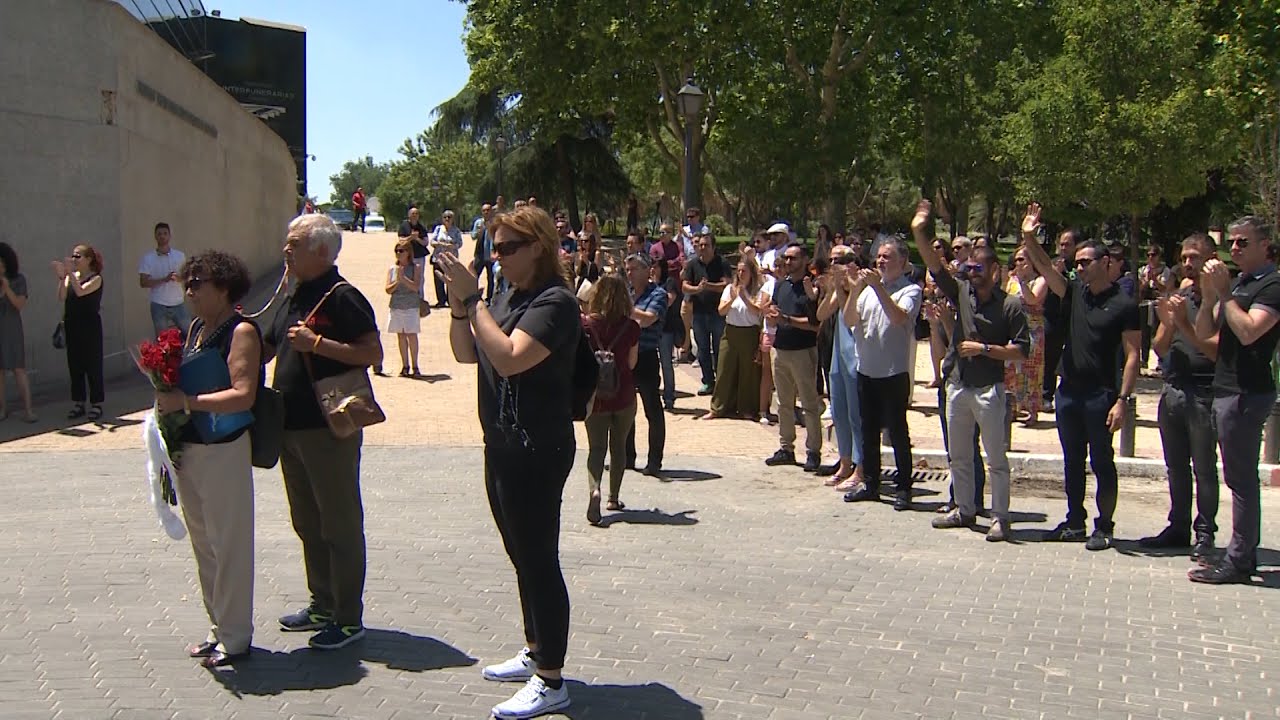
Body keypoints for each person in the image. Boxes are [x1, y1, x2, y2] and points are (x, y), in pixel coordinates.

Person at [440, 206, 578, 719]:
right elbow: (465, 352)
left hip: (537, 448)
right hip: (499, 442)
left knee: (539, 560)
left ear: (537, 246)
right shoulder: (505, 296)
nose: (495, 257)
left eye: (505, 248)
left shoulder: (554, 302)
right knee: (521, 555)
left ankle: (552, 678)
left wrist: (474, 298)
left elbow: (509, 356)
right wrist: (462, 306)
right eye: (492, 248)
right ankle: (536, 647)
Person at [267, 215, 383, 650]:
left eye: (294, 243)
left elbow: (372, 351)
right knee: (307, 522)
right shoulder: (293, 294)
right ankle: (322, 603)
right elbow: (265, 343)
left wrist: (319, 345)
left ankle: (349, 618)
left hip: (329, 428)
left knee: (339, 522)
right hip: (289, 426)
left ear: (321, 250)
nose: (285, 250)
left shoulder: (342, 296)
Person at [155, 250, 260, 669]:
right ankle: (219, 627)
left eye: (199, 282)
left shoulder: (241, 331)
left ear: (224, 287)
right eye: (188, 281)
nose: (190, 289)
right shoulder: (197, 327)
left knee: (229, 543)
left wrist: (186, 400)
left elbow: (243, 394)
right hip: (192, 448)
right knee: (204, 544)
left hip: (224, 449)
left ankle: (236, 637)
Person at [1020, 203, 1140, 551]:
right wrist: (1029, 235)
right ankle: (1074, 521)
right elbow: (1043, 265)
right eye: (1077, 263)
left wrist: (1123, 400)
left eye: (1086, 262)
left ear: (1106, 263)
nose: (1079, 266)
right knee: (1072, 461)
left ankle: (1104, 526)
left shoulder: (1124, 304)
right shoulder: (1074, 292)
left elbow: (1133, 354)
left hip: (1101, 395)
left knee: (1102, 461)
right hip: (1068, 390)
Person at [912, 200, 1029, 542]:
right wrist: (920, 229)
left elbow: (1022, 351)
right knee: (959, 454)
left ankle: (1001, 517)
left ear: (995, 271)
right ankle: (964, 509)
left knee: (995, 459)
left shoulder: (1010, 305)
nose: (972, 272)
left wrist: (985, 350)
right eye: (971, 267)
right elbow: (934, 265)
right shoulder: (962, 292)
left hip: (990, 389)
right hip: (958, 385)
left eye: (980, 268)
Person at [1190, 217, 1280, 584]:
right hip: (1225, 387)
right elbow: (1204, 331)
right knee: (1234, 476)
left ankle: (1241, 559)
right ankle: (1238, 553)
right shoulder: (1243, 283)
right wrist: (1210, 295)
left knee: (1241, 480)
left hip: (1247, 391)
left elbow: (1248, 332)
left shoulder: (1272, 284)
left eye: (1244, 242)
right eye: (1233, 243)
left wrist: (1225, 295)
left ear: (1265, 246)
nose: (1236, 248)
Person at [1140, 233, 1220, 560]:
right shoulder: (1179, 297)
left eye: (1195, 257)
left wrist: (1185, 323)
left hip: (1204, 392)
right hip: (1173, 388)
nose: (1187, 264)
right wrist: (1170, 320)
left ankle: (1205, 532)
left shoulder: (1219, 301)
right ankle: (1178, 525)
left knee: (1204, 466)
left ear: (1211, 260)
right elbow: (1159, 347)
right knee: (1176, 465)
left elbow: (1215, 350)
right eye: (1184, 257)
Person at [841, 236, 922, 511]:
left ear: (902, 261)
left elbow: (899, 318)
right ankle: (872, 484)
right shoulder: (866, 291)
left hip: (893, 372)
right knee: (868, 430)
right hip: (867, 370)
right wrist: (855, 290)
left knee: (898, 432)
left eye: (888, 257)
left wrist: (878, 289)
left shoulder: (910, 290)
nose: (881, 261)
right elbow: (849, 320)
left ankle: (903, 488)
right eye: (879, 256)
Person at [582, 274, 640, 524]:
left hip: (595, 395)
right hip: (624, 393)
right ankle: (613, 497)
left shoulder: (586, 325)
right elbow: (631, 362)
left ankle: (594, 488)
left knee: (596, 448)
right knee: (619, 448)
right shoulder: (632, 326)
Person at [763, 243, 825, 471]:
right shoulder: (781, 285)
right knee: (783, 403)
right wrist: (771, 316)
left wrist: (786, 319)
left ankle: (813, 451)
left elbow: (815, 325)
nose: (788, 263)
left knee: (809, 404)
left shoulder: (812, 288)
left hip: (803, 351)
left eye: (793, 259)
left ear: (805, 260)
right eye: (786, 259)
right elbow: (774, 312)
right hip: (780, 349)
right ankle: (786, 447)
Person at [816, 245, 861, 487]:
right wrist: (831, 290)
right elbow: (822, 315)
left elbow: (850, 314)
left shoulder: (859, 288)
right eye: (831, 260)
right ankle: (845, 462)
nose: (833, 265)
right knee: (840, 411)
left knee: (857, 414)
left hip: (855, 355)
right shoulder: (837, 289)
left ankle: (860, 465)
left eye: (840, 261)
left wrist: (846, 288)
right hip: (837, 355)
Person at [704, 255, 765, 420]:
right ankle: (718, 407)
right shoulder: (730, 288)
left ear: (752, 273)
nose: (740, 274)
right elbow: (721, 311)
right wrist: (732, 297)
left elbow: (757, 311)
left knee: (748, 372)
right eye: (738, 271)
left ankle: (746, 408)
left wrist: (744, 296)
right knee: (724, 369)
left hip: (749, 333)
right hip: (730, 332)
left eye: (744, 271)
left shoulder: (758, 290)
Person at [624, 253, 668, 475]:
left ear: (646, 271)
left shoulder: (658, 294)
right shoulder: (628, 294)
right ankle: (627, 457)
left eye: (633, 269)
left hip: (647, 356)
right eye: (627, 270)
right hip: (626, 356)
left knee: (652, 408)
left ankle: (654, 461)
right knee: (626, 408)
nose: (629, 274)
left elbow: (648, 319)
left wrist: (623, 309)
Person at [55, 244, 105, 421]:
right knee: (75, 365)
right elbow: (62, 296)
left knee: (92, 364)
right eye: (73, 256)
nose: (74, 260)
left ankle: (97, 403)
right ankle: (79, 402)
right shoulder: (72, 277)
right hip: (72, 325)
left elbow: (81, 291)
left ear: (88, 259)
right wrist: (63, 278)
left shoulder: (96, 279)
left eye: (78, 257)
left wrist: (69, 274)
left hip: (90, 326)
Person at [1005, 246, 1049, 424]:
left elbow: (1033, 299)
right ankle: (1013, 407)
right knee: (1012, 370)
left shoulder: (1041, 280)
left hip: (1032, 329)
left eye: (1022, 259)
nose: (1019, 263)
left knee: (1031, 370)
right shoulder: (1011, 280)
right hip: (1014, 328)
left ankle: (1032, 410)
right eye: (1016, 260)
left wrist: (1023, 282)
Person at [682, 230, 729, 395]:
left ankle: (721, 382)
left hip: (718, 313)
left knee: (719, 348)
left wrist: (709, 286)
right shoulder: (693, 264)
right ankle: (708, 381)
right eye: (700, 245)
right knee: (702, 349)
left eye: (706, 245)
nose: (702, 248)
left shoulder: (722, 263)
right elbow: (685, 285)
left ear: (713, 247)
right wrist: (697, 289)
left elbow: (726, 285)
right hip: (699, 314)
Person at [0, 243, 35, 422]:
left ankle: (28, 410)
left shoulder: (18, 279)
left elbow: (19, 305)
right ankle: (2, 409)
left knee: (18, 369)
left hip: (11, 328)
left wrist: (6, 288)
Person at [139, 222, 191, 337]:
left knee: (189, 335)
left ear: (169, 236)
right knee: (162, 340)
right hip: (159, 304)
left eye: (165, 233)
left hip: (178, 303)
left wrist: (179, 278)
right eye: (159, 234)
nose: (162, 236)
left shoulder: (180, 255)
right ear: (155, 236)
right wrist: (164, 279)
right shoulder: (148, 258)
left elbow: (187, 277)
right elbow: (143, 282)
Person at [385, 239, 424, 377]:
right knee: (400, 336)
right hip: (396, 306)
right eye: (396, 251)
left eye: (401, 251)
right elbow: (387, 289)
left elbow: (415, 287)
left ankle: (415, 366)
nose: (398, 254)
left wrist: (404, 279)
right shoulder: (392, 269)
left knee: (412, 336)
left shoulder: (416, 267)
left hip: (411, 306)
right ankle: (405, 365)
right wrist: (397, 281)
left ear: (408, 253)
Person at [1140, 244, 1175, 366]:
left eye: (1153, 255)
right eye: (1148, 255)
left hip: (1159, 304)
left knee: (1158, 333)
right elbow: (1140, 289)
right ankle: (1144, 360)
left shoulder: (1166, 271)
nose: (1150, 258)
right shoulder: (1143, 270)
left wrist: (1155, 279)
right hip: (1146, 303)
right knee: (1144, 333)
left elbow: (1166, 289)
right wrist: (1145, 281)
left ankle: (1161, 361)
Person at [656, 258, 683, 410]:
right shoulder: (651, 283)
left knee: (666, 364)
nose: (652, 270)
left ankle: (669, 397)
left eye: (655, 267)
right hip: (652, 329)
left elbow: (669, 301)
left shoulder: (669, 282)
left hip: (666, 329)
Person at [430, 210, 465, 307]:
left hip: (450, 258)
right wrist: (439, 244)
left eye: (449, 217)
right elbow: (432, 241)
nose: (447, 219)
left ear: (452, 219)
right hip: (438, 258)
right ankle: (441, 300)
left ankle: (451, 300)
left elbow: (460, 243)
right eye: (445, 217)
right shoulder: (438, 229)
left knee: (451, 279)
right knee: (438, 280)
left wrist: (453, 246)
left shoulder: (456, 230)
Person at [472, 203, 496, 300]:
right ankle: (474, 296)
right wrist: (478, 232)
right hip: (479, 254)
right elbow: (473, 236)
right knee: (474, 276)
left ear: (492, 211)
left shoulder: (496, 223)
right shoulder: (478, 223)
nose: (486, 212)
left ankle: (489, 298)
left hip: (491, 254)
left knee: (491, 278)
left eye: (488, 210)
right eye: (484, 210)